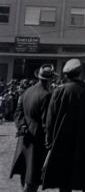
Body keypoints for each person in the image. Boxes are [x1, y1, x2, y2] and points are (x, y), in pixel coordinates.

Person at [42, 59, 85, 192]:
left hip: (63, 145)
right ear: (80, 73)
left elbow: (49, 122)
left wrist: (50, 145)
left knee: (65, 182)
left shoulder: (58, 92)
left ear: (66, 75)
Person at [10, 64, 55, 192]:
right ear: (50, 79)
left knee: (25, 173)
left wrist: (22, 125)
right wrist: (50, 141)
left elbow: (17, 113)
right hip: (38, 140)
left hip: (24, 138)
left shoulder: (27, 92)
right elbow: (47, 121)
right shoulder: (47, 95)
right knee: (34, 177)